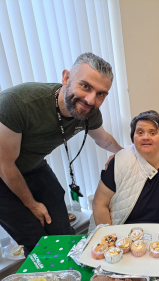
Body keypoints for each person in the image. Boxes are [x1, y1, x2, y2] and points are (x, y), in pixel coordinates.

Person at [0, 53, 123, 255]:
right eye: (85, 86)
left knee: (62, 231)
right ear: (66, 78)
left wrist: (126, 154)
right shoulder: (18, 103)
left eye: (101, 94)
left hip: (34, 165)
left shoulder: (89, 113)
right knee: (36, 238)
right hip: (3, 171)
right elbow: (5, 165)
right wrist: (31, 204)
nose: (91, 100)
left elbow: (102, 139)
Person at [90, 110, 159, 231]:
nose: (145, 137)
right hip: (124, 238)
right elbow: (99, 204)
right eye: (140, 132)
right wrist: (110, 239)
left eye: (152, 133)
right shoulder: (119, 161)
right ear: (133, 136)